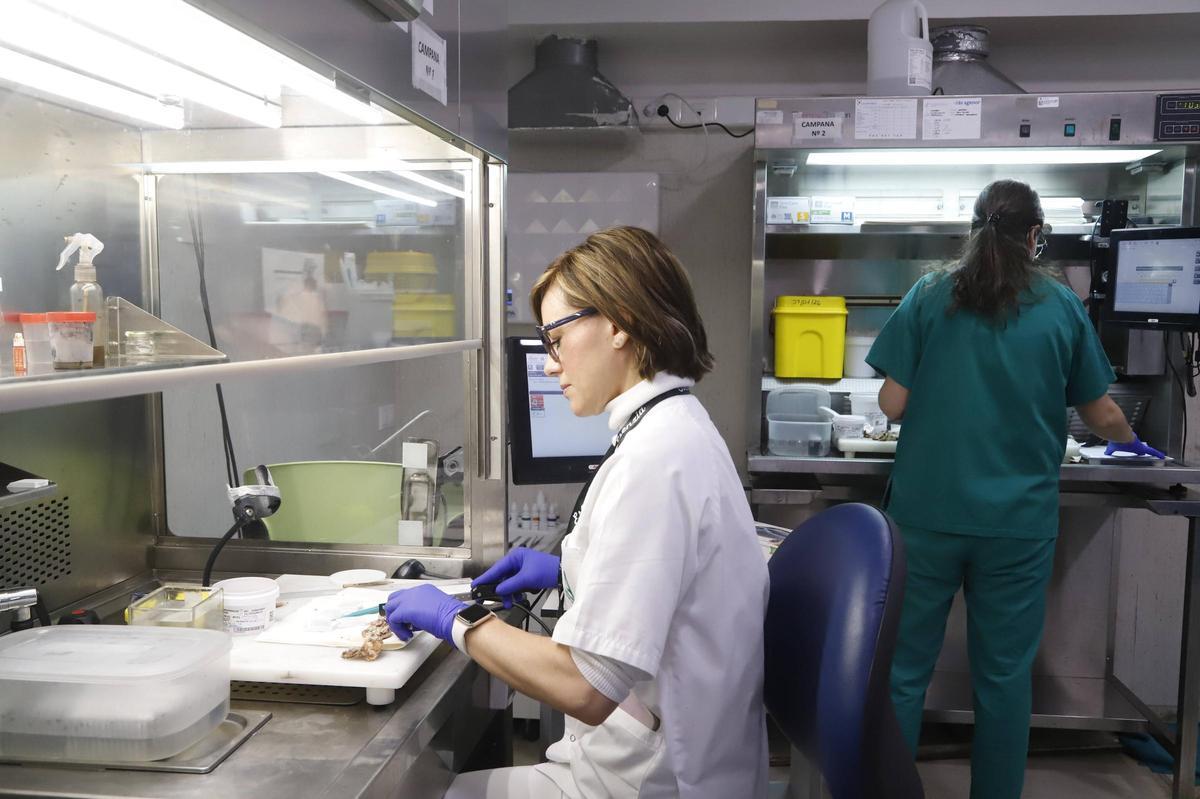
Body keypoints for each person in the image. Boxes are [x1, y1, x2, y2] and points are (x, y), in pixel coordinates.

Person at [383, 226, 770, 798]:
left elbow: (587, 685)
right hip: (652, 755)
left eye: (556, 336)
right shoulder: (673, 426)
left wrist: (453, 620)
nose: (549, 360)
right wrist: (568, 576)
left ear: (617, 323)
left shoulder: (657, 460)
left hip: (657, 783)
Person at [866, 179, 1165, 799]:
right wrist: (1135, 443)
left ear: (973, 230)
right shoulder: (1058, 305)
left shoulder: (929, 293)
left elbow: (892, 404)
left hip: (928, 514)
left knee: (903, 673)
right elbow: (1102, 414)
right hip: (1016, 524)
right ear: (1036, 236)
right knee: (1003, 680)